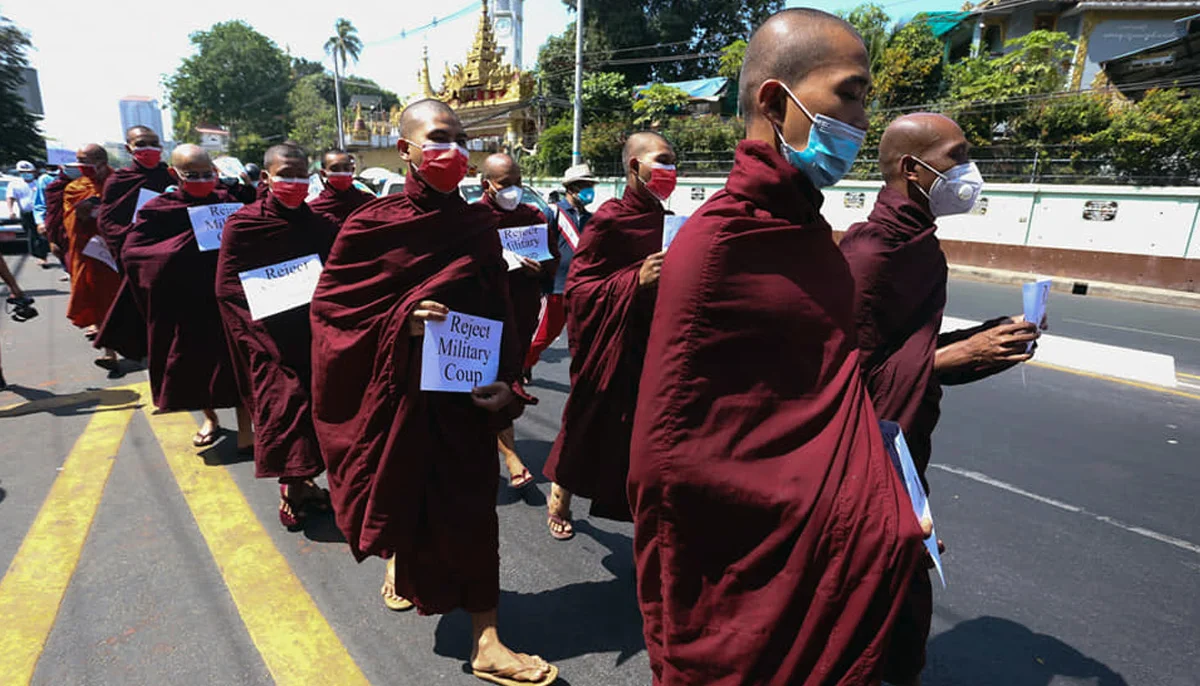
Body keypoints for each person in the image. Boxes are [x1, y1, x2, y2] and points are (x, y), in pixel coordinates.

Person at [627, 9, 927, 684]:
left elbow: (819, 390)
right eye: (849, 94)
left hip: (824, 541)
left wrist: (869, 501)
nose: (861, 121)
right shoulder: (716, 246)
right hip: (748, 558)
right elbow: (670, 456)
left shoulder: (804, 234)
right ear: (774, 100)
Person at [309, 99, 557, 686]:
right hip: (396, 397)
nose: (453, 150)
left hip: (460, 399)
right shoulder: (371, 226)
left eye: (460, 139)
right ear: (406, 150)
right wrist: (402, 324)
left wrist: (508, 380)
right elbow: (333, 317)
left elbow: (499, 310)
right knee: (406, 498)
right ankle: (401, 560)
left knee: (473, 514)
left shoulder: (475, 225)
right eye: (438, 137)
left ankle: (488, 639)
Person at [838, 112, 1041, 686]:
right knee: (864, 597)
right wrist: (945, 361)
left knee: (895, 599)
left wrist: (980, 341)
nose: (970, 170)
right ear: (912, 168)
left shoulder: (919, 245)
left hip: (903, 446)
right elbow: (843, 377)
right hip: (862, 461)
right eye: (959, 155)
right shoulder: (870, 254)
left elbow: (907, 347)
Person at [542, 133, 674, 540]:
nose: (671, 171)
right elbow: (580, 292)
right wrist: (634, 279)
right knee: (585, 420)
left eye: (674, 162)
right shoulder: (609, 220)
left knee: (646, 433)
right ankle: (560, 491)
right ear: (635, 167)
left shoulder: (671, 223)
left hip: (651, 344)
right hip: (608, 342)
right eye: (663, 161)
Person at [216, 143, 336, 530]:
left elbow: (336, 274)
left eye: (302, 174)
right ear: (266, 178)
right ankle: (291, 486)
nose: (295, 182)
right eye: (286, 174)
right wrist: (258, 334)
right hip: (266, 335)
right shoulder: (244, 223)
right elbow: (227, 286)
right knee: (286, 408)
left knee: (317, 410)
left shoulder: (318, 225)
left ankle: (305, 484)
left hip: (313, 333)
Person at [123, 144, 250, 449]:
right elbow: (135, 254)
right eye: (193, 175)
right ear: (173, 174)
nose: (204, 180)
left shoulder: (230, 203)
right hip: (187, 302)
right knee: (196, 366)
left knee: (239, 366)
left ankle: (247, 431)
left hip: (230, 300)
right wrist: (182, 252)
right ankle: (211, 419)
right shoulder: (159, 210)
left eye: (209, 174)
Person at [475, 152, 555, 491]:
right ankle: (510, 456)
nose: (514, 191)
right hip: (483, 316)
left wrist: (541, 268)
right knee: (490, 383)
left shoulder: (532, 216)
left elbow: (552, 262)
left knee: (509, 379)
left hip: (520, 315)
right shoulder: (473, 220)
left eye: (518, 184)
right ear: (487, 186)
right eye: (506, 185)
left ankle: (497, 446)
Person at [523, 163, 596, 383]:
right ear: (571, 188)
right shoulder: (553, 212)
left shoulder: (591, 219)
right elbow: (539, 246)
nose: (589, 190)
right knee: (543, 336)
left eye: (590, 185)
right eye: (584, 185)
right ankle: (522, 365)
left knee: (582, 339)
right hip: (555, 286)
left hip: (582, 288)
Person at [63, 144, 121, 368]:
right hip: (92, 252)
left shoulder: (120, 183)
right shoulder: (75, 188)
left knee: (123, 300)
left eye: (86, 161)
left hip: (118, 249)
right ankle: (109, 352)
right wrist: (82, 213)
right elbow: (69, 221)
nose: (82, 166)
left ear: (102, 161)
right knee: (97, 299)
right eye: (79, 161)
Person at [97, 126, 173, 269]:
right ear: (128, 148)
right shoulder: (119, 180)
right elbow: (108, 222)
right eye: (141, 144)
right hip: (136, 250)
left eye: (154, 144)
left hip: (170, 247)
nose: (149, 148)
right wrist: (134, 241)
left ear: (161, 148)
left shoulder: (171, 176)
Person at [308, 149, 374, 226]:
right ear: (323, 173)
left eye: (346, 169)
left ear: (352, 170)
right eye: (335, 169)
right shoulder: (314, 209)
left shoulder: (368, 202)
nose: (342, 172)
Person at [7, 161, 50, 267]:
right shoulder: (15, 184)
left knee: (41, 235)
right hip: (26, 213)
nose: (26, 174)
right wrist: (11, 210)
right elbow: (10, 198)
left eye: (29, 171)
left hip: (39, 213)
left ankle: (42, 256)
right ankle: (37, 254)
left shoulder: (39, 182)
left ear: (34, 172)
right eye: (22, 172)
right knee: (31, 234)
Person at [38, 164, 77, 277]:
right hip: (63, 234)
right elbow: (51, 214)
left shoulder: (93, 184)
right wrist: (52, 239)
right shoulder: (54, 186)